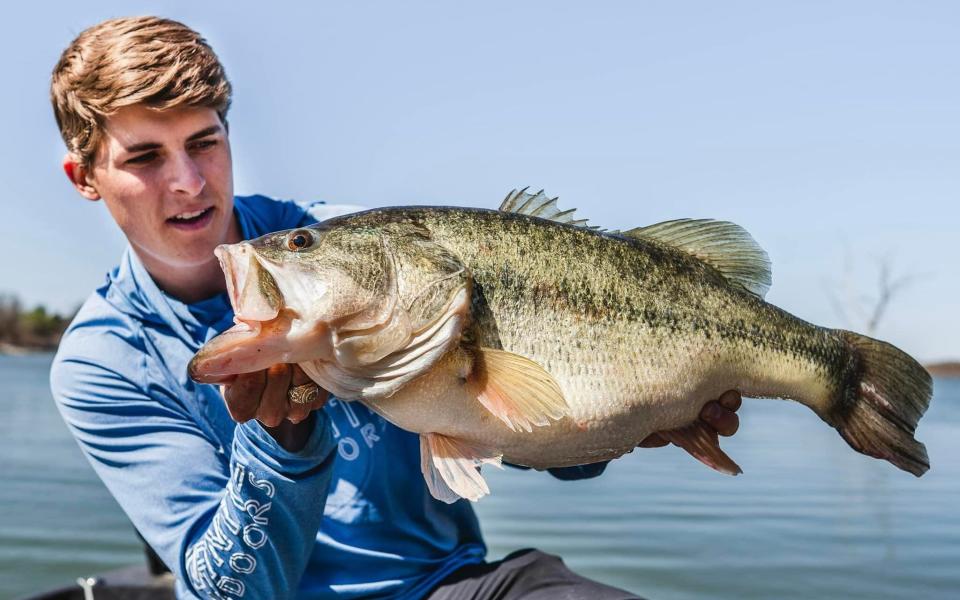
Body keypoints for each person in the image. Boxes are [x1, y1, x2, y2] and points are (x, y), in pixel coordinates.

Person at [49, 16, 743, 600]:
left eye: (205, 142)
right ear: (84, 178)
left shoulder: (372, 246)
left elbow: (533, 434)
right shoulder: (103, 362)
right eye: (145, 158)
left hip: (453, 582)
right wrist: (282, 440)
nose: (189, 182)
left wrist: (617, 423)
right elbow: (229, 590)